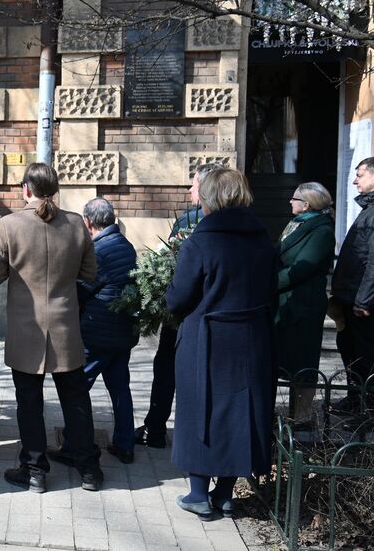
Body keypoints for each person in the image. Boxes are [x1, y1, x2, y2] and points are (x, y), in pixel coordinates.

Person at [0, 162, 103, 494]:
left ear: (26, 189)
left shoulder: (9, 225)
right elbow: (90, 273)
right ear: (56, 189)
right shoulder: (76, 224)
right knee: (76, 398)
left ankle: (35, 470)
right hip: (65, 326)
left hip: (27, 329)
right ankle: (89, 468)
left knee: (29, 401)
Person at [166, 168, 276, 520]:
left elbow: (177, 299)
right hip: (251, 338)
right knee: (239, 412)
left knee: (200, 408)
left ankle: (198, 494)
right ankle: (225, 494)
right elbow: (272, 291)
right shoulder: (262, 238)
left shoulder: (202, 241)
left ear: (209, 197)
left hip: (207, 339)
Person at [134, 161, 224, 449]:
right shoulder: (238, 222)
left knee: (167, 369)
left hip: (184, 311)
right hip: (215, 314)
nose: (189, 190)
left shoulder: (191, 220)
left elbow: (170, 260)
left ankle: (156, 429)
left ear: (206, 187)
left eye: (193, 185)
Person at [50, 197, 138, 465]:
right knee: (120, 388)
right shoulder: (125, 245)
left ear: (88, 222)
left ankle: (73, 444)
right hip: (123, 331)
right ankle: (125, 444)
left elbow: (81, 288)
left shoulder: (99, 251)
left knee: (76, 388)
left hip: (98, 333)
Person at [330, 156, 374, 413]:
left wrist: (364, 300)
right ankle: (356, 400)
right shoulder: (371, 208)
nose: (355, 180)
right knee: (350, 348)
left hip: (362, 299)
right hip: (351, 295)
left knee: (366, 352)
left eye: (359, 175)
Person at [275, 182, 335, 422]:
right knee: (284, 357)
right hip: (285, 302)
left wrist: (267, 282)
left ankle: (302, 417)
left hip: (304, 304)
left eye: (294, 198)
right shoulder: (296, 223)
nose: (290, 201)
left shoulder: (321, 230)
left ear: (307, 204)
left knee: (303, 359)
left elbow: (302, 269)